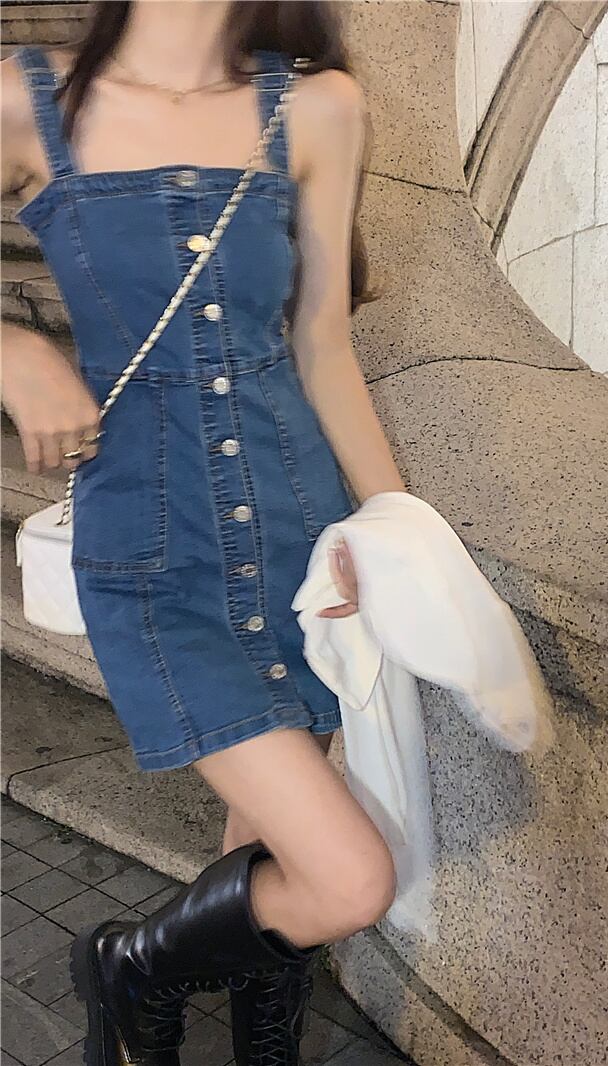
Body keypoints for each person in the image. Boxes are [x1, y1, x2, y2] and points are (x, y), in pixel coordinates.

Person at [1, 2, 406, 1063]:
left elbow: (322, 347)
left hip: (300, 531)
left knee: (269, 844)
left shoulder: (318, 106)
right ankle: (128, 963)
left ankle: (262, 1049)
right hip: (153, 546)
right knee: (348, 879)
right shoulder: (26, 100)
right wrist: (13, 350)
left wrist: (388, 530)